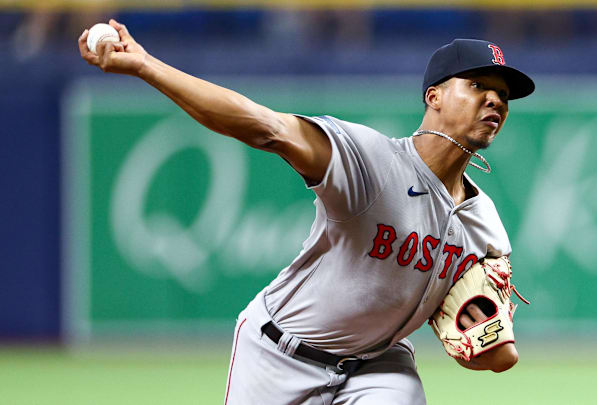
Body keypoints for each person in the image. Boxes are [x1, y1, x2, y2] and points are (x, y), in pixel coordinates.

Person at [78, 20, 535, 405]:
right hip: (278, 354)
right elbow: (265, 126)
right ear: (433, 96)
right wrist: (145, 66)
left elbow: (496, 357)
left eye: (502, 94)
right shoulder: (371, 163)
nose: (495, 100)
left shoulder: (484, 224)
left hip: (378, 366)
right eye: (478, 85)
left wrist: (493, 345)